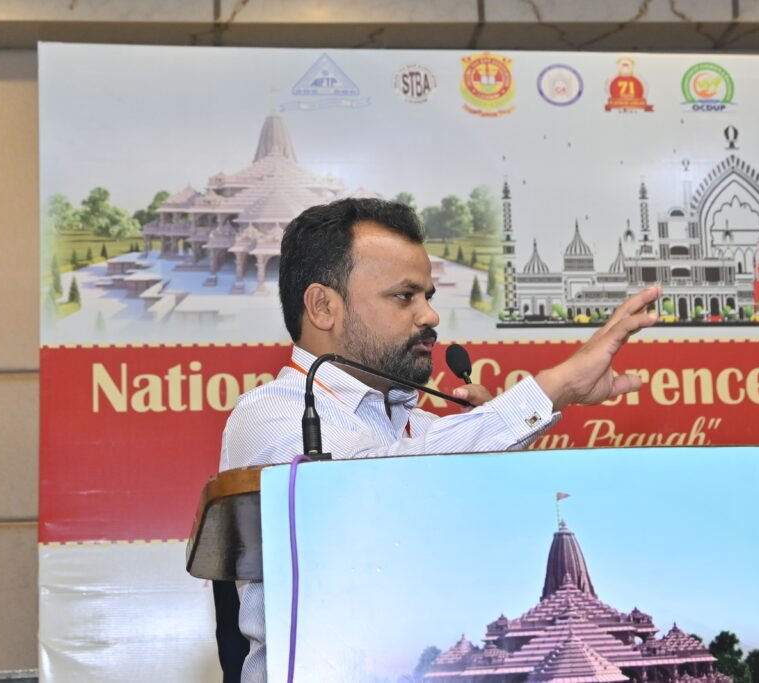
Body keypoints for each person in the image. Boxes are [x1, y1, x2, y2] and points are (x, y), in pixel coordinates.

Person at [218, 197, 660, 682]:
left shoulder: (428, 429)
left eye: (428, 296)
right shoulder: (270, 415)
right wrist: (554, 389)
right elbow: (363, 489)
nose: (430, 316)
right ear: (323, 307)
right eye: (405, 297)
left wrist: (494, 461)